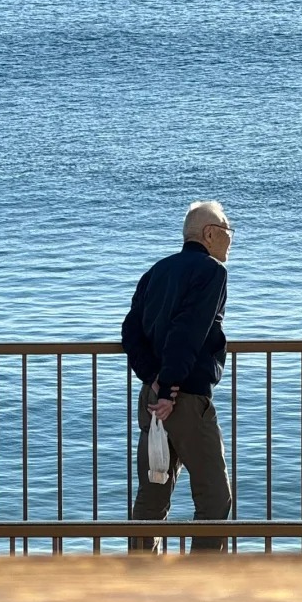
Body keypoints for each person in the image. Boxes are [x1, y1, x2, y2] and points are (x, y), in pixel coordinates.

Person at [121, 200, 233, 552]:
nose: (231, 239)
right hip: (182, 400)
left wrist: (153, 378)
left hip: (153, 398)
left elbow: (130, 332)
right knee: (215, 497)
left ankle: (141, 579)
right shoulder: (212, 271)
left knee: (153, 496)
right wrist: (170, 389)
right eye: (229, 231)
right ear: (210, 234)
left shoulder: (156, 271)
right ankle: (198, 586)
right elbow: (187, 331)